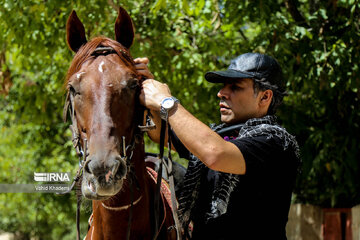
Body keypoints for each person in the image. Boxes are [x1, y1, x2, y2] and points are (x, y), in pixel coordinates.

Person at [135, 53, 300, 240]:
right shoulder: (219, 136)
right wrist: (143, 85)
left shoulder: (275, 142)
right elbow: (160, 133)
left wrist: (167, 102)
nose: (221, 93)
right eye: (223, 86)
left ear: (264, 97)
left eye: (235, 87)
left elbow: (215, 154)